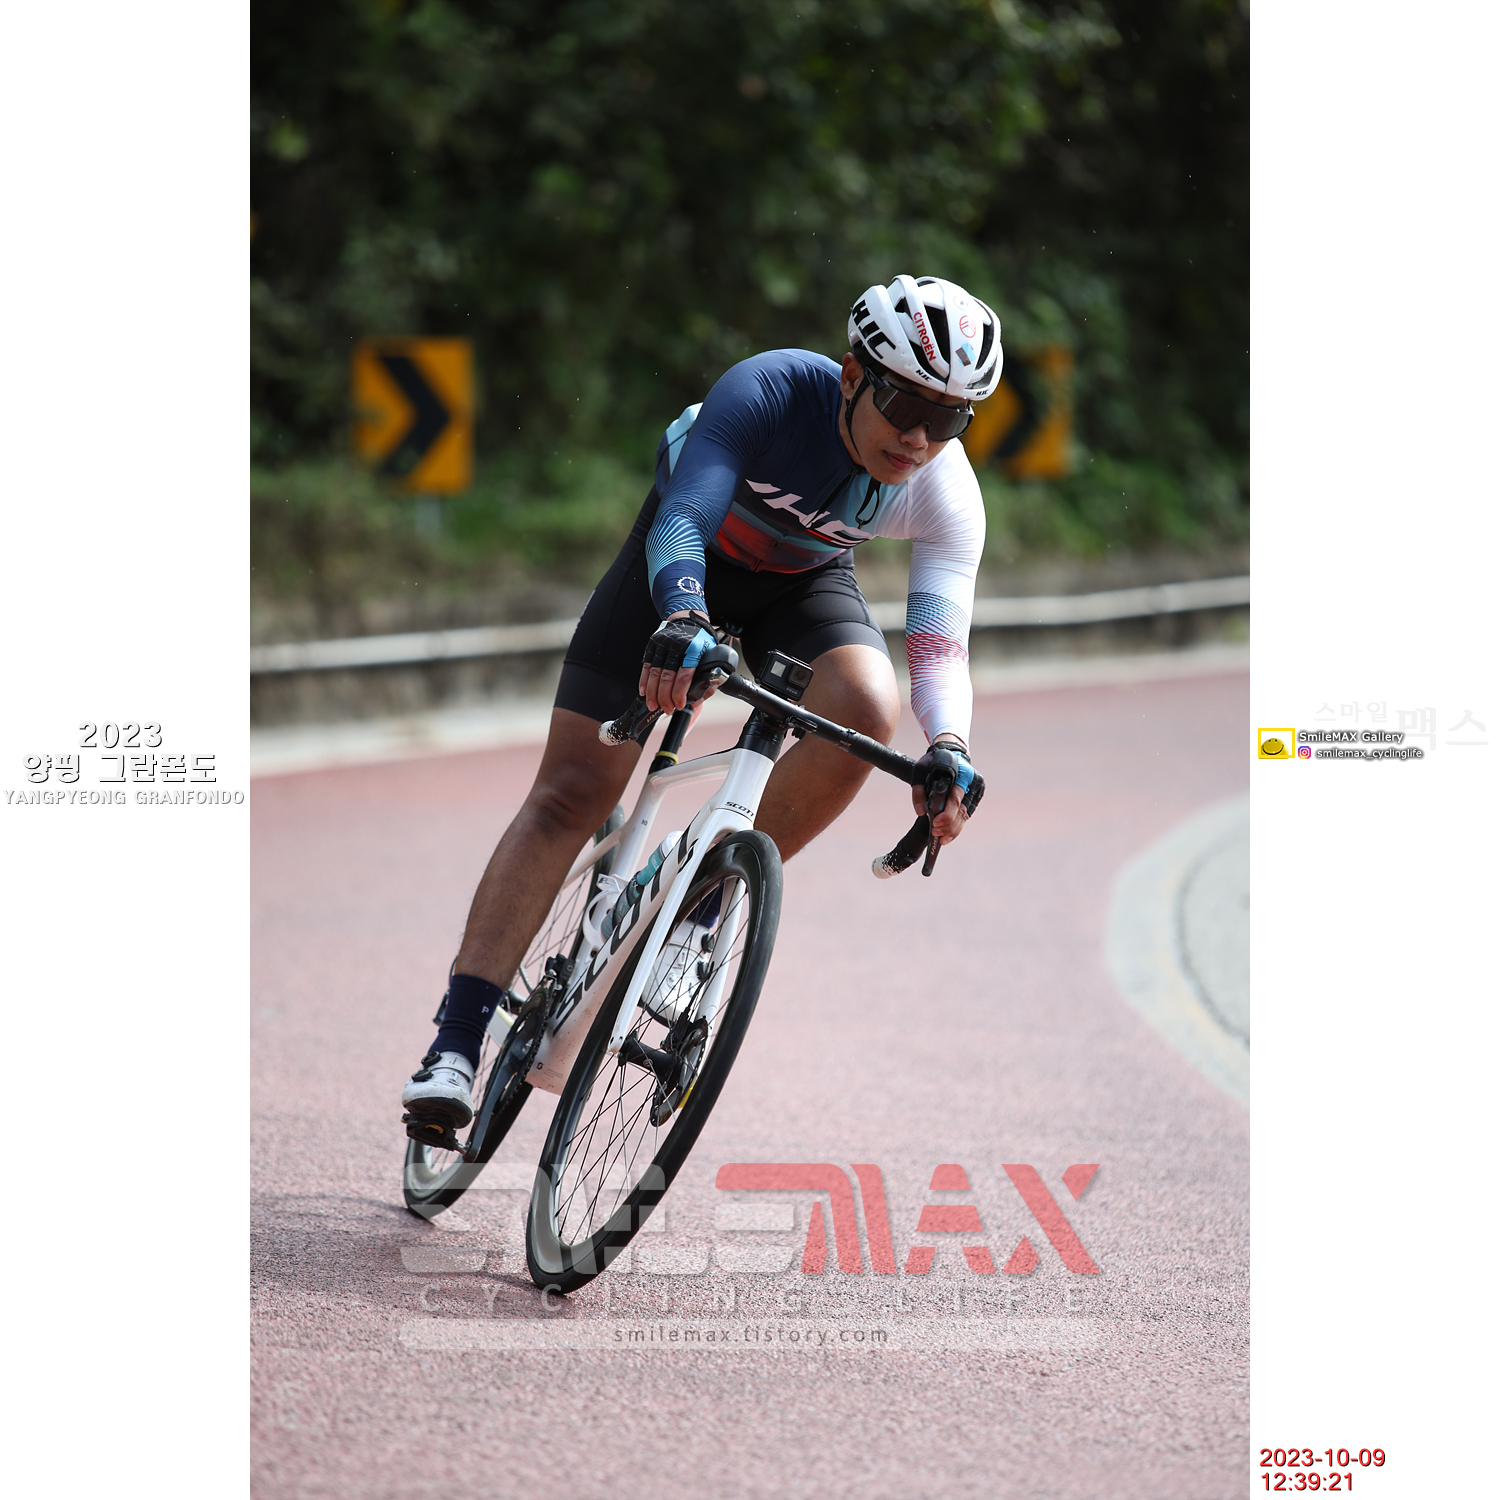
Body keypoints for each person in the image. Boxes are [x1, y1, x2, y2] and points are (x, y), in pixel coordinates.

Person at [401, 273, 1001, 1126]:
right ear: (851, 376)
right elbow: (683, 515)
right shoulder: (771, 389)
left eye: (948, 420)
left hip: (800, 584)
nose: (918, 437)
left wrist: (951, 747)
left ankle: (701, 904)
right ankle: (456, 1042)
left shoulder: (945, 491)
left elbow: (939, 646)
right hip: (684, 560)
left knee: (871, 710)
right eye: (904, 403)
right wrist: (683, 614)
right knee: (572, 792)